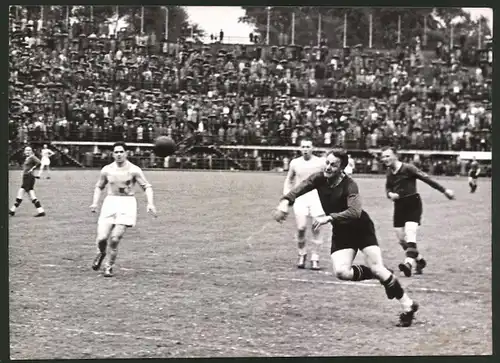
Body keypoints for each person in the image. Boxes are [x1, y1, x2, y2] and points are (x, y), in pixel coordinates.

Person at [274, 150, 419, 327]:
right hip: (342, 231)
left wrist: (329, 217)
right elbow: (299, 188)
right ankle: (377, 272)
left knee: (379, 269)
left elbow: (355, 211)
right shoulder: (319, 178)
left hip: (361, 227)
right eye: (326, 163)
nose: (328, 167)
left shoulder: (350, 185)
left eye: (333, 164)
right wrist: (284, 203)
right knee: (342, 272)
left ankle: (408, 306)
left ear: (342, 168)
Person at [380, 146, 455, 278]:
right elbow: (388, 188)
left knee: (410, 233)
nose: (384, 159)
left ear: (395, 156)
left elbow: (427, 179)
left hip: (413, 203)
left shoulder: (408, 168)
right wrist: (390, 194)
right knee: (402, 240)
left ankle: (408, 263)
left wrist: (444, 191)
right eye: (383, 157)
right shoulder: (389, 172)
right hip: (399, 206)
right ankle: (419, 260)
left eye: (387, 156)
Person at [89, 142, 157, 277]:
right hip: (110, 202)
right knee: (102, 238)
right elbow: (99, 186)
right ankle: (101, 253)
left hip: (127, 203)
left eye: (121, 152)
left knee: (114, 239)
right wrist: (95, 203)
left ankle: (109, 267)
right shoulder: (107, 170)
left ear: (126, 153)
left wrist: (150, 203)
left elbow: (147, 186)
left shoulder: (134, 170)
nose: (119, 154)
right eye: (116, 152)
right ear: (113, 154)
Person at [283, 139, 326, 270]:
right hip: (300, 197)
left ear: (313, 148)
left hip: (317, 198)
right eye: (303, 147)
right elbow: (289, 180)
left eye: (308, 146)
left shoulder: (320, 162)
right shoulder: (295, 163)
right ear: (300, 149)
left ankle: (315, 258)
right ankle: (302, 254)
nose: (305, 149)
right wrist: (287, 197)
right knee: (301, 228)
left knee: (316, 227)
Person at [9, 146, 46, 217]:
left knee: (21, 193)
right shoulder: (28, 158)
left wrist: (32, 169)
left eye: (29, 150)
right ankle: (41, 211)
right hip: (26, 178)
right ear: (24, 151)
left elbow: (39, 162)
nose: (27, 151)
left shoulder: (32, 157)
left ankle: (12, 210)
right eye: (26, 150)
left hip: (29, 177)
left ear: (31, 151)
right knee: (31, 195)